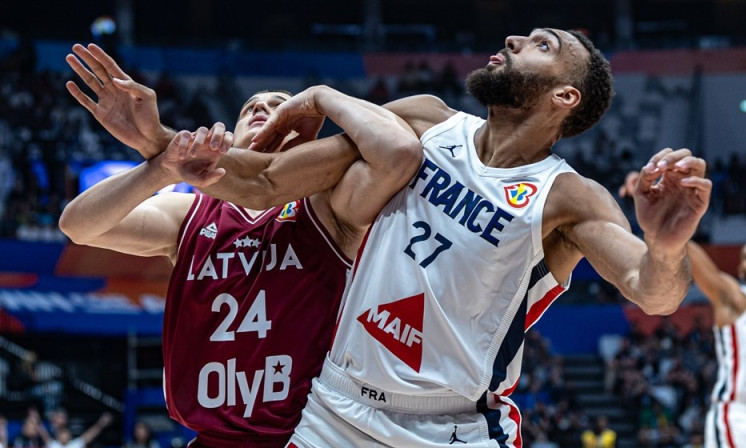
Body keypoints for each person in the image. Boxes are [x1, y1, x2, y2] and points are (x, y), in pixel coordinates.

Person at [179, 27, 711, 447]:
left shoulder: (568, 197)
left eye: (540, 45)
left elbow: (655, 292)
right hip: (335, 413)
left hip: (454, 427)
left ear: (564, 95)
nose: (513, 41)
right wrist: (159, 144)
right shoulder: (421, 120)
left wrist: (666, 246)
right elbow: (270, 181)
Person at [59, 44, 421, 448]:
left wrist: (320, 97)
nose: (263, 107)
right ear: (230, 133)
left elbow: (395, 154)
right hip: (210, 437)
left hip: (306, 435)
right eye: (251, 106)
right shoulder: (190, 213)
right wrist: (160, 167)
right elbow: (78, 225)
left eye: (280, 104)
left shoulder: (329, 208)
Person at [621, 172, 746, 447]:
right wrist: (669, 220)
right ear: (740, 270)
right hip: (741, 416)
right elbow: (705, 270)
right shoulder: (737, 299)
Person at [45, 412, 112, 448]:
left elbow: (89, 435)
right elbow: (42, 431)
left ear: (70, 435)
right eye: (61, 434)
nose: (64, 436)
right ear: (57, 436)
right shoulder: (52, 445)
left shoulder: (75, 444)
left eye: (65, 433)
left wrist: (101, 423)